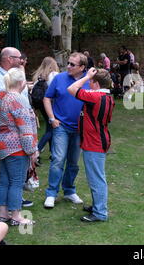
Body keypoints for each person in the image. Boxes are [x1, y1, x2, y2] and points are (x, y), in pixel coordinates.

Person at [0, 47, 33, 207]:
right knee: (4, 173)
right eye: (19, 58)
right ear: (9, 59)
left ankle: (8, 202)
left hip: (12, 137)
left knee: (9, 174)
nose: (22, 61)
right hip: (10, 138)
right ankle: (1, 204)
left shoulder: (14, 78)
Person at [67, 67, 115, 222]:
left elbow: (72, 88)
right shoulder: (107, 96)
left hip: (94, 143)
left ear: (95, 83)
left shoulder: (95, 97)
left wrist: (86, 76)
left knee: (96, 178)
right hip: (99, 139)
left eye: (91, 81)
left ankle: (100, 213)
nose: (88, 84)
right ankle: (97, 206)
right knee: (96, 176)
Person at [43, 52, 89, 209]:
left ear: (82, 67)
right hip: (61, 126)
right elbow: (47, 98)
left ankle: (69, 190)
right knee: (58, 159)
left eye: (72, 64)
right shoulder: (59, 78)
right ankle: (51, 193)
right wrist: (51, 118)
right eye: (68, 63)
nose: (68, 66)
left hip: (80, 128)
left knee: (74, 162)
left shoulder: (88, 81)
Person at [0, 68, 38, 226]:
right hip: (16, 147)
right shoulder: (18, 99)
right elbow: (25, 130)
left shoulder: (1, 97)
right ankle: (16, 216)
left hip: (1, 145)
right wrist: (32, 150)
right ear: (21, 82)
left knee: (4, 180)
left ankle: (3, 214)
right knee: (16, 182)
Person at [31, 57, 60, 158]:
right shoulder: (54, 75)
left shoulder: (38, 76)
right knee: (51, 130)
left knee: (50, 127)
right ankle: (37, 150)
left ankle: (52, 153)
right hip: (50, 104)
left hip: (40, 104)